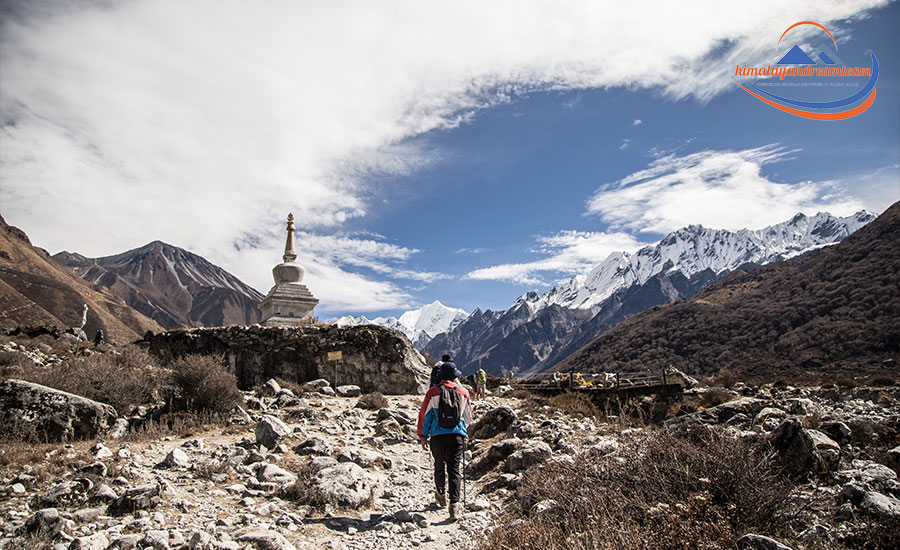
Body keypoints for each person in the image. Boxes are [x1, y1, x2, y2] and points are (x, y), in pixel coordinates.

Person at [417, 360, 472, 521]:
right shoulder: (463, 392)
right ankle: (454, 506)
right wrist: (460, 428)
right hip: (456, 436)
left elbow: (425, 416)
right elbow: (468, 417)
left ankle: (441, 494)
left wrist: (423, 436)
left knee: (439, 465)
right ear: (455, 376)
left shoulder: (432, 392)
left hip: (437, 437)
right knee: (454, 469)